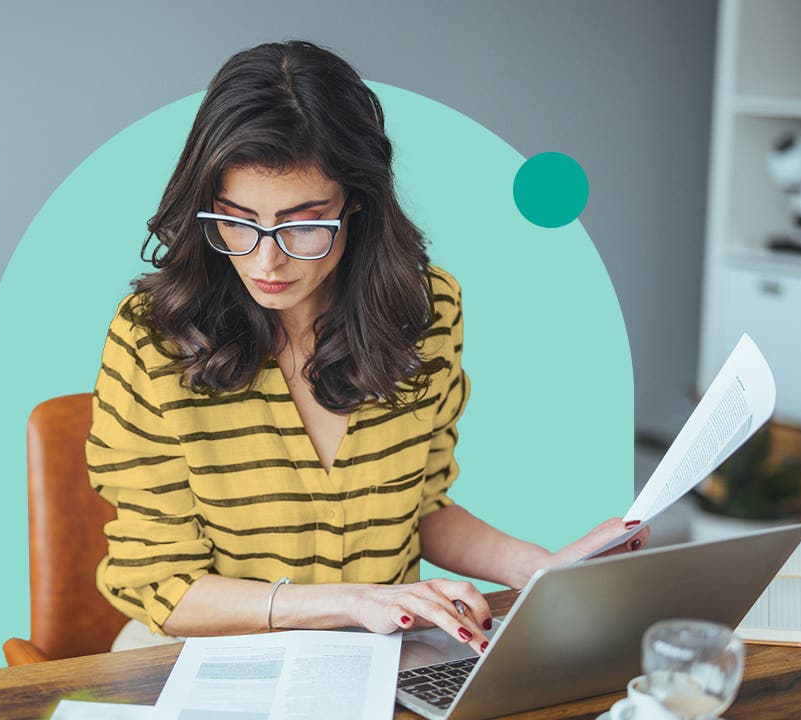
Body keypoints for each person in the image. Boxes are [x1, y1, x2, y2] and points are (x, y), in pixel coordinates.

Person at [87, 40, 649, 654]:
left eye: (304, 222)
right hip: (201, 656)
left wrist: (539, 570)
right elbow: (163, 586)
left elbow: (422, 508)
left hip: (372, 656)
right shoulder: (153, 337)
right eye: (238, 220)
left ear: (358, 201)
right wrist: (353, 602)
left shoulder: (426, 312)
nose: (266, 258)